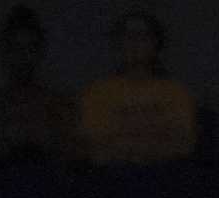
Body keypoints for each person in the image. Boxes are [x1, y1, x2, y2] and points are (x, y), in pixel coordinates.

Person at [76, 10, 197, 165]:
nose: (135, 42)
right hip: (111, 176)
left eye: (143, 36)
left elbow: (184, 144)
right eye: (128, 36)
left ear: (157, 43)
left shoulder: (176, 93)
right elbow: (93, 145)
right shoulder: (97, 93)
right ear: (117, 43)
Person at [0, 4, 76, 160]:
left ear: (40, 53)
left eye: (30, 49)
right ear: (5, 52)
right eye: (17, 48)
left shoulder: (58, 108)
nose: (23, 57)